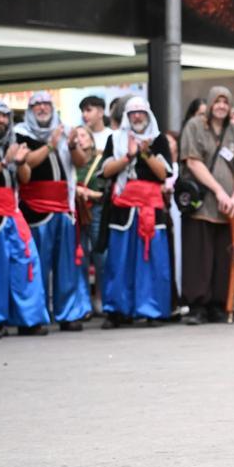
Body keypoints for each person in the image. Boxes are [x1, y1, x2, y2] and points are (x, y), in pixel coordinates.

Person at [16, 91, 90, 331]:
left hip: (63, 206)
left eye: (46, 104)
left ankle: (68, 314)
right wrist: (50, 145)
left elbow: (79, 162)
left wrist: (70, 145)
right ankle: (33, 318)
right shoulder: (21, 133)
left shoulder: (65, 130)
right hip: (35, 208)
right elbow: (26, 165)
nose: (42, 109)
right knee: (36, 266)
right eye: (37, 105)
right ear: (30, 110)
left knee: (66, 264)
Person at [97, 98, 172, 327]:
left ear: (148, 114)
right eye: (133, 113)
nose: (137, 117)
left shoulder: (159, 140)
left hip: (151, 209)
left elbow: (163, 174)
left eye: (141, 113)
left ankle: (153, 310)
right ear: (127, 117)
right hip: (123, 208)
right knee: (119, 261)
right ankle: (118, 310)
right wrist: (129, 156)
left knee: (152, 261)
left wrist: (145, 153)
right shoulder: (116, 139)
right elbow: (106, 171)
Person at [0, 98, 50, 336]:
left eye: (4, 116)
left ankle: (29, 319)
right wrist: (5, 160)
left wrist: (19, 162)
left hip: (13, 210)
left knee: (27, 263)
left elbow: (26, 177)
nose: (1, 120)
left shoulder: (15, 142)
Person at [179, 86, 234, 325]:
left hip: (229, 207)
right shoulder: (195, 126)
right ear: (209, 104)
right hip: (202, 203)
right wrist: (219, 191)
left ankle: (219, 304)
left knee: (223, 254)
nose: (221, 106)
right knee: (199, 256)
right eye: (217, 101)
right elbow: (193, 161)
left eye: (225, 102)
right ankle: (197, 306)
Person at [72, 125, 108, 313]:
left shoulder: (100, 160)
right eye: (76, 136)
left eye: (84, 135)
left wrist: (88, 193)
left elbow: (105, 191)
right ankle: (83, 300)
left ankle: (101, 297)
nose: (80, 139)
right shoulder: (71, 161)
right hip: (76, 213)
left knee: (100, 256)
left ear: (92, 139)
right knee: (80, 257)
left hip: (96, 211)